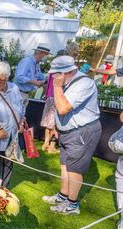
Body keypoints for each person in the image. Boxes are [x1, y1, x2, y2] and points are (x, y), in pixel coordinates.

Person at [42, 56, 102, 215]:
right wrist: (56, 125)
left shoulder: (84, 83)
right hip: (68, 131)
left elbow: (63, 108)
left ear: (67, 72)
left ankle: (72, 204)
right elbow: (58, 109)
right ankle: (63, 196)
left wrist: (56, 86)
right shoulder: (66, 82)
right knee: (65, 166)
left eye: (56, 74)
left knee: (74, 169)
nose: (53, 77)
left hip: (82, 131)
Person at [40, 50, 66, 154]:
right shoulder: (62, 71)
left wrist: (46, 95)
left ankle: (46, 142)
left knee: (48, 122)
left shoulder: (52, 69)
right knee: (56, 123)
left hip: (49, 97)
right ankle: (51, 146)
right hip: (57, 97)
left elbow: (48, 84)